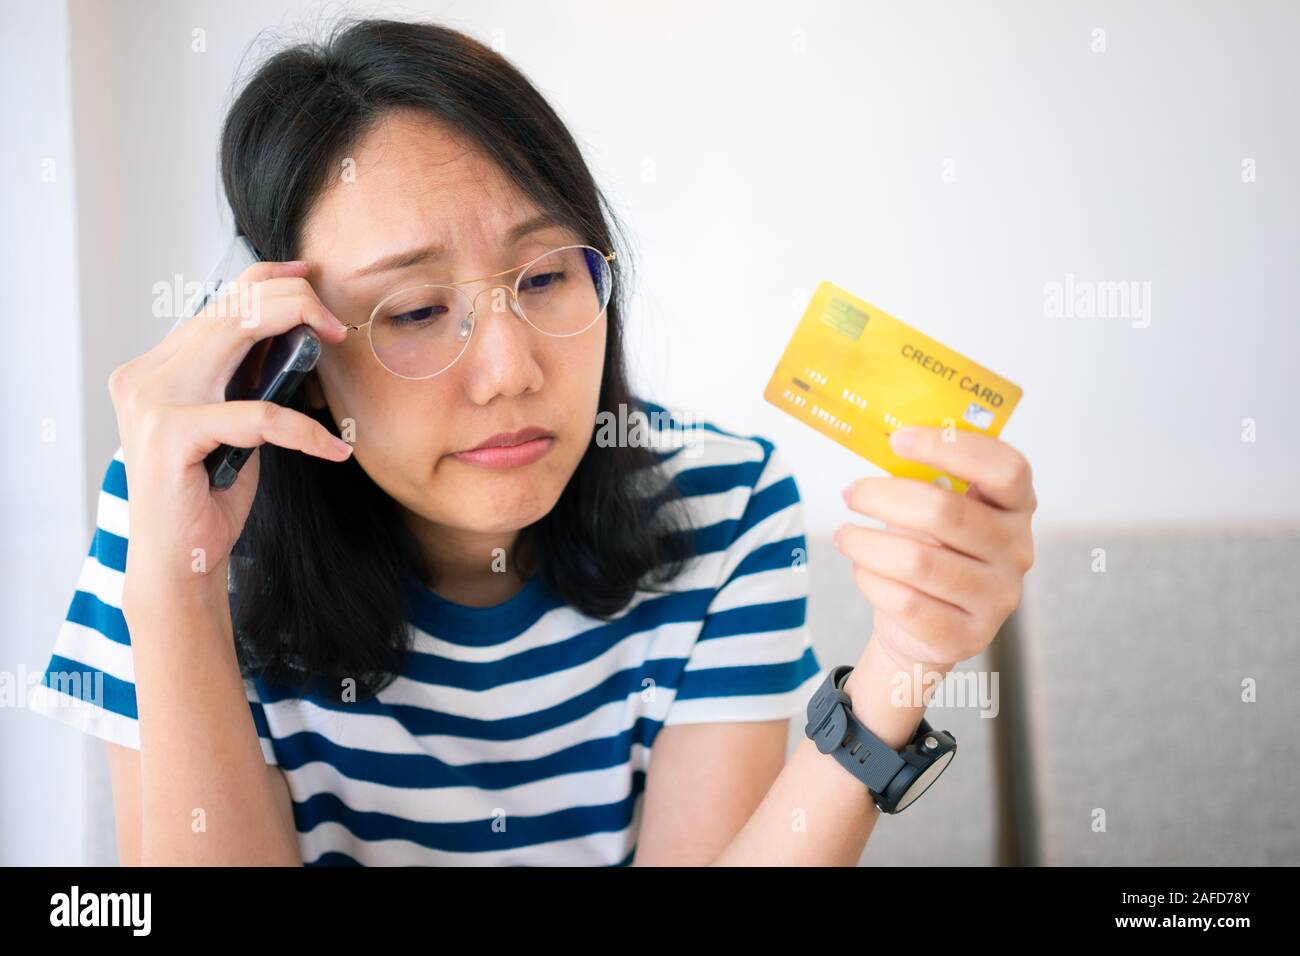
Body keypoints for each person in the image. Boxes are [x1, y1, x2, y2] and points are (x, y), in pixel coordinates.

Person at [28, 17, 1036, 866]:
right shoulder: (174, 516)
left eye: (546, 276)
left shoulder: (721, 503)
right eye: (417, 309)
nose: (510, 368)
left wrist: (905, 659)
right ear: (291, 349)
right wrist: (173, 584)